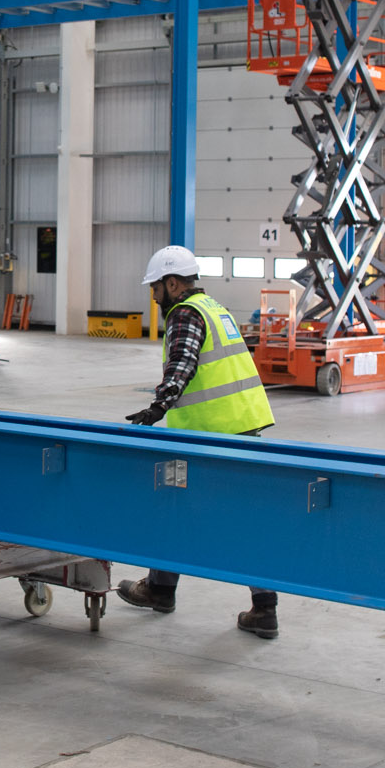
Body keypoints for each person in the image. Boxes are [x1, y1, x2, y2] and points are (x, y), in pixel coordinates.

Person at [116, 244, 282, 640]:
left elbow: (183, 364)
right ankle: (163, 589)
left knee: (220, 517)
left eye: (156, 287)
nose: (154, 296)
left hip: (213, 433)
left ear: (172, 284)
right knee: (178, 505)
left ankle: (262, 608)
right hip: (238, 426)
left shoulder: (186, 313)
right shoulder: (215, 308)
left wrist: (158, 407)